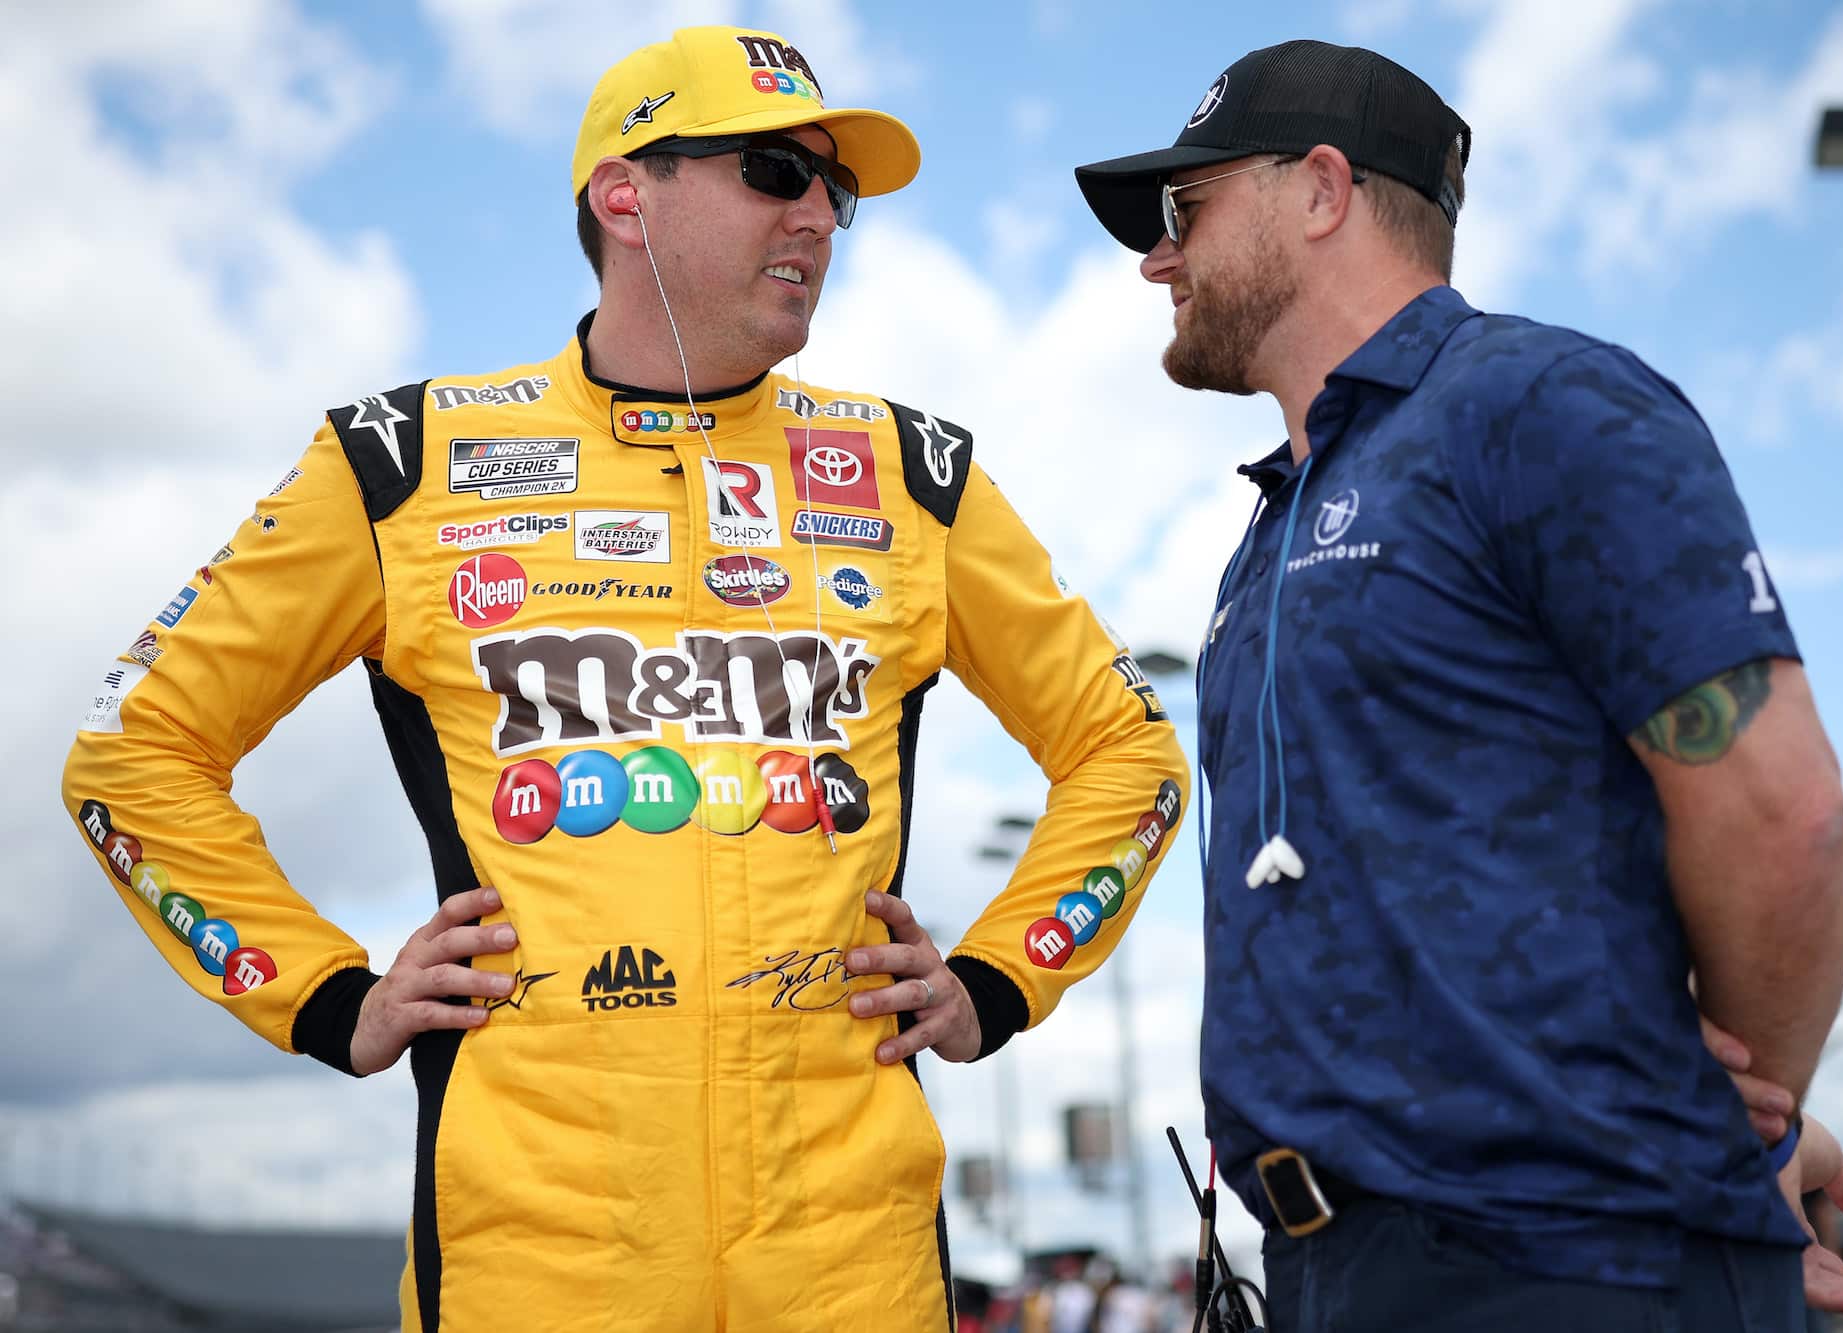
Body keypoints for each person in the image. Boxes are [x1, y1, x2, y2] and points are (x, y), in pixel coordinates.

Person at [62, 25, 1188, 1332]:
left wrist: (997, 978)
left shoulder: (911, 473)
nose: (820, 214)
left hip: (851, 1262)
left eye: (842, 191)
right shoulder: (405, 462)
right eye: (777, 170)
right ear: (622, 192)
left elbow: (1133, 751)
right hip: (537, 1263)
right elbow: (133, 752)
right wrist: (327, 996)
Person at [1074, 39, 1843, 1332]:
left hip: (1563, 1264)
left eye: (1186, 210)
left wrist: (1743, 1141)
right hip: (1335, 1269)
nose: (1156, 257)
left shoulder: (1538, 404)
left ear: (1323, 190)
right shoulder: (1276, 522)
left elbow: (1783, 811)